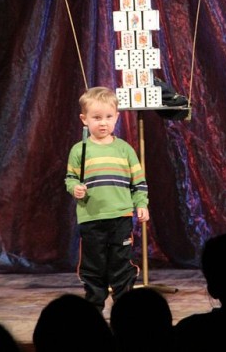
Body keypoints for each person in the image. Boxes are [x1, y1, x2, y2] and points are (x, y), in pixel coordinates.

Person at [65, 86, 149, 311]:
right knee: (94, 265)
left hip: (120, 217)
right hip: (91, 218)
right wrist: (75, 188)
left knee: (121, 264)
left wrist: (141, 203)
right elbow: (70, 178)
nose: (103, 123)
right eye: (96, 118)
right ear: (84, 119)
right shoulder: (79, 150)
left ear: (117, 117)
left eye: (108, 117)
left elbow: (138, 182)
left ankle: (125, 308)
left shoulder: (125, 150)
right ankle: (93, 308)